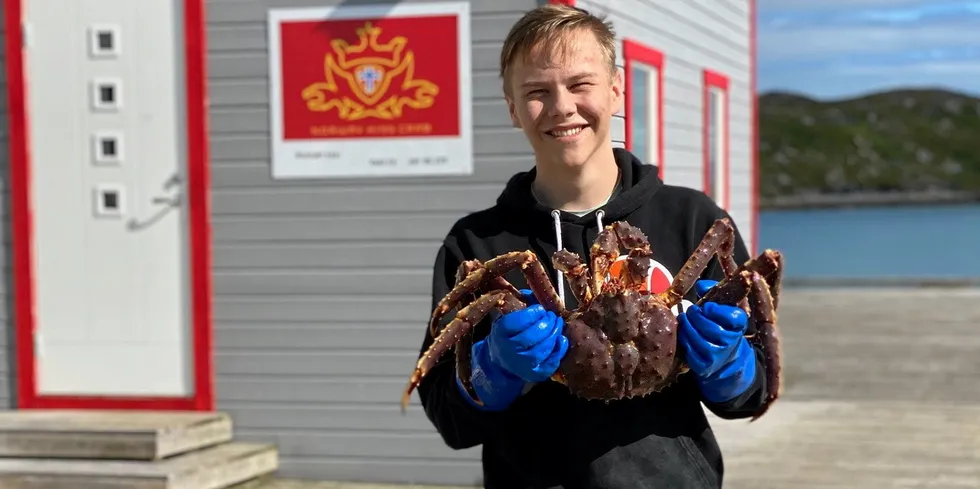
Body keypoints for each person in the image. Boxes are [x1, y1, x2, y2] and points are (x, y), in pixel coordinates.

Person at [413, 4, 770, 488]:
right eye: (537, 92)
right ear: (513, 108)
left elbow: (752, 395)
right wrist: (490, 370)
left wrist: (732, 365)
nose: (562, 107)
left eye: (580, 84)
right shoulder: (478, 245)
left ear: (617, 88)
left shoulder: (695, 221)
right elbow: (451, 421)